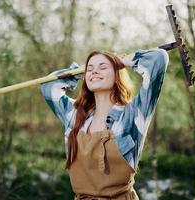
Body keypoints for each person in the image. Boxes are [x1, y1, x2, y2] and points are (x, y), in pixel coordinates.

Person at [40, 48, 169, 199]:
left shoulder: (132, 115)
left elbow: (158, 59)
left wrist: (123, 61)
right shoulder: (74, 115)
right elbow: (47, 86)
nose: (94, 71)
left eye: (103, 67)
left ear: (116, 74)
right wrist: (78, 73)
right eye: (90, 68)